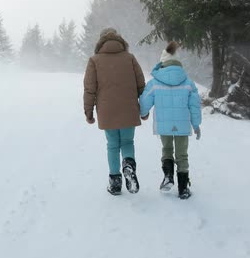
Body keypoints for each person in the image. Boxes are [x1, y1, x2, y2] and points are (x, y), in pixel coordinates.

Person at [83, 28, 146, 195]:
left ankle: (115, 183)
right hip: (129, 108)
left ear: (101, 42)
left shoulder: (94, 60)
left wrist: (88, 113)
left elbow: (89, 89)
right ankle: (128, 165)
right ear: (119, 40)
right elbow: (141, 86)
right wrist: (144, 109)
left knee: (112, 145)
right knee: (127, 142)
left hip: (107, 110)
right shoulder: (130, 58)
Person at [139, 41, 202, 199]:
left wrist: (142, 113)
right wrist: (196, 124)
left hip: (164, 124)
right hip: (181, 125)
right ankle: (183, 188)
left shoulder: (154, 82)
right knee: (182, 154)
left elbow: (145, 101)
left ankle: (168, 176)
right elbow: (194, 106)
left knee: (167, 150)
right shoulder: (188, 82)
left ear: (162, 62)